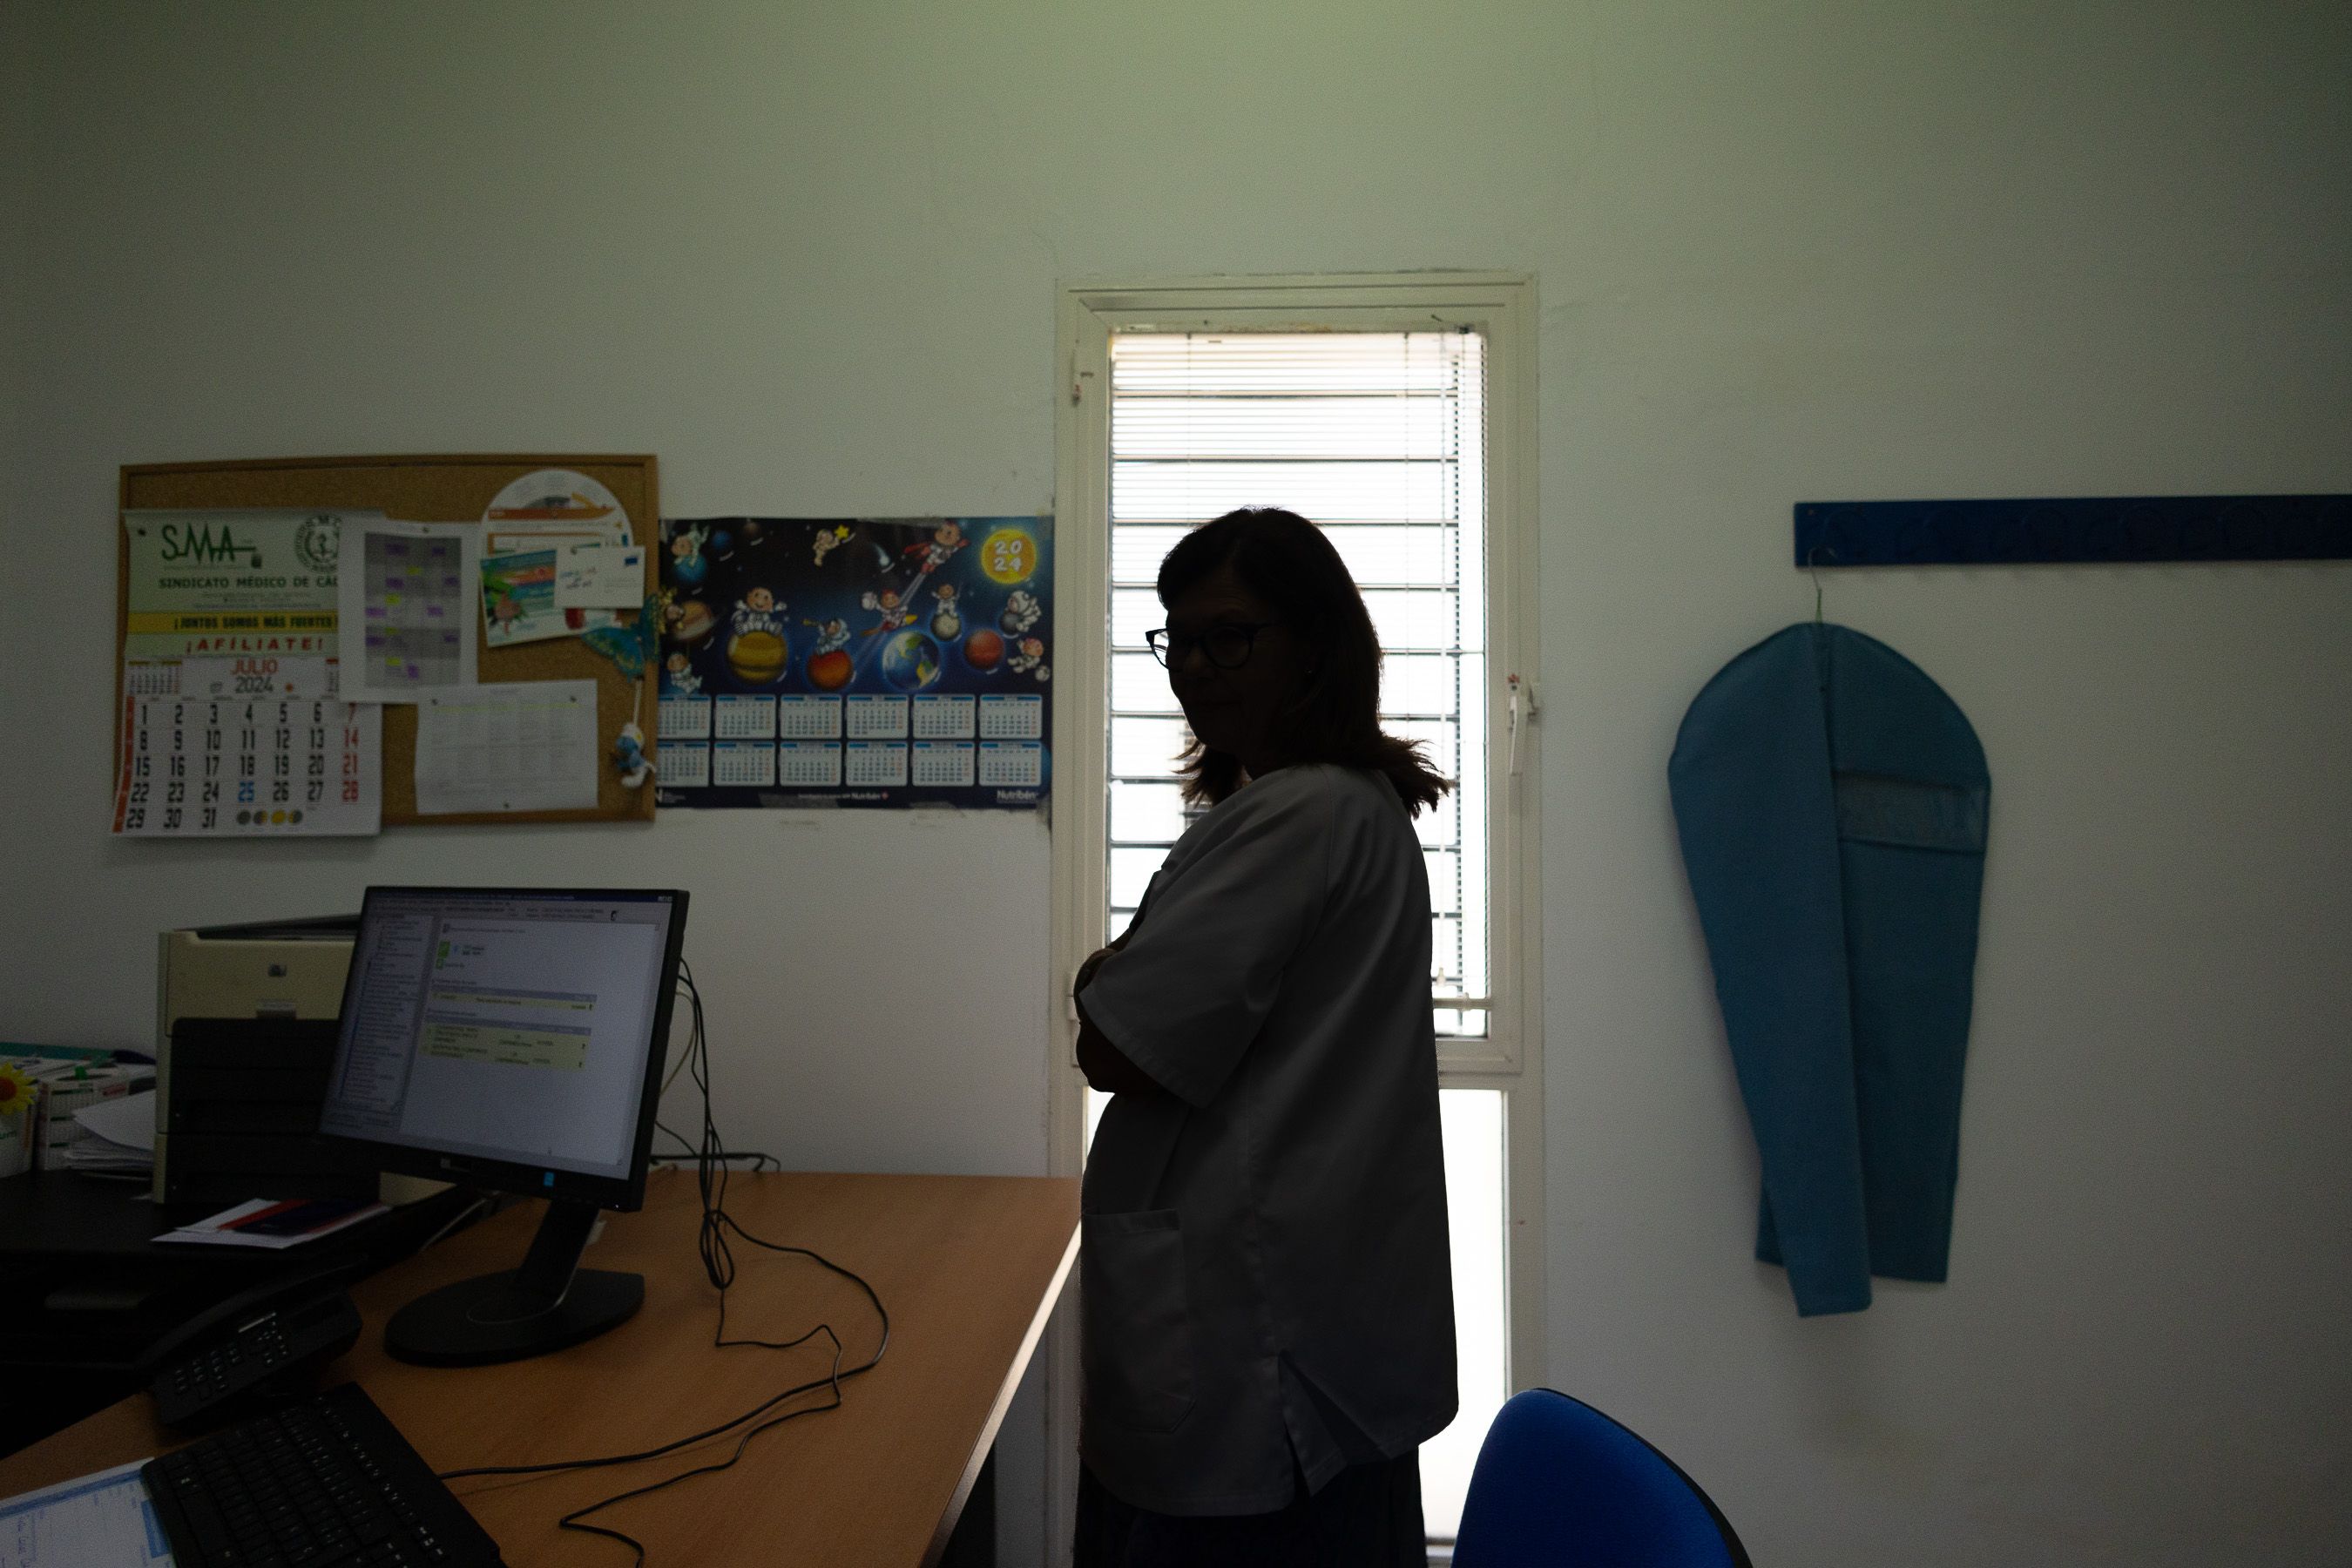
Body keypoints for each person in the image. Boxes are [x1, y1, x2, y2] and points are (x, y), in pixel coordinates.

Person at [1072, 507, 1456, 1566]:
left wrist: (1098, 975)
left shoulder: (1302, 816)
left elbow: (1115, 1046)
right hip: (1297, 1325)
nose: (1196, 666)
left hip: (1258, 1348)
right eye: (1178, 640)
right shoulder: (1340, 809)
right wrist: (1120, 980)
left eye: (1229, 635)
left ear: (1315, 646)